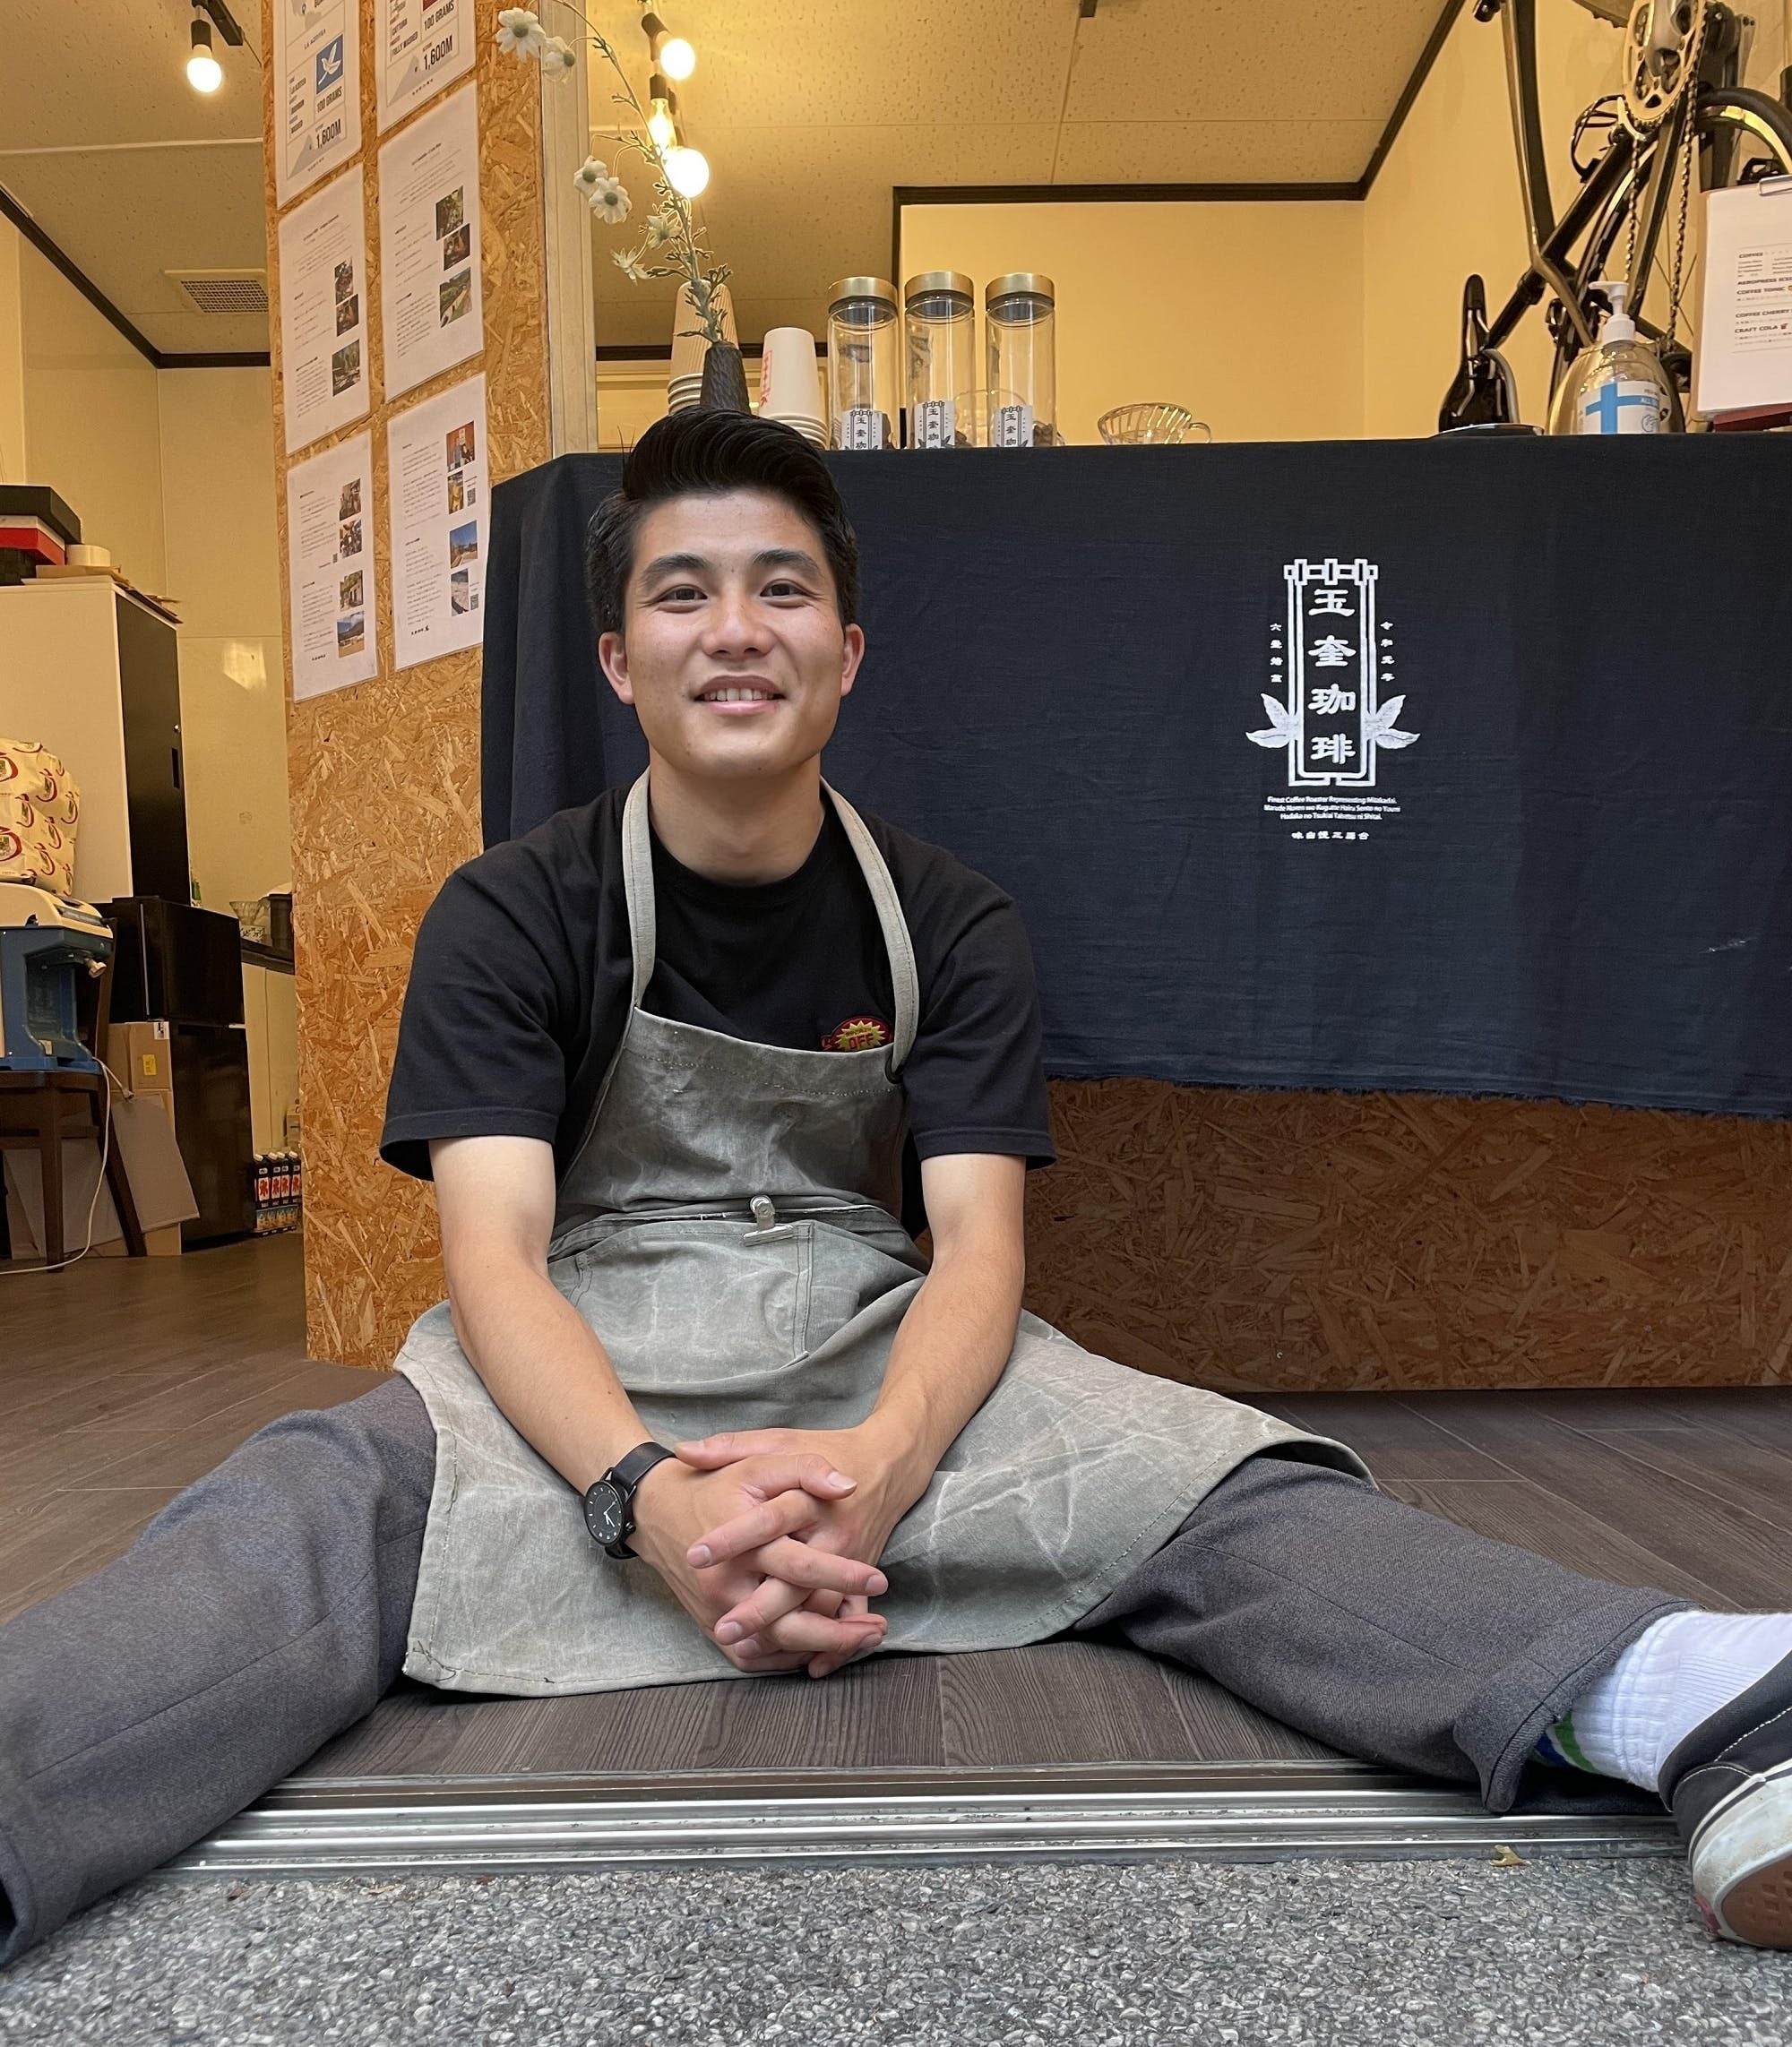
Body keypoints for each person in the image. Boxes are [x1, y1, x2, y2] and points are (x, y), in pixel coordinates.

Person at [2, 410, 1788, 1964]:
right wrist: (642, 1493)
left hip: (876, 1341)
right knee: (315, 1497)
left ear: (847, 650)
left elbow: (978, 1251)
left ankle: (1686, 1697)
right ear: (617, 661)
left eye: (780, 590)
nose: (734, 629)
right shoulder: (512, 909)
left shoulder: (952, 919)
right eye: (682, 593)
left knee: (1217, 1479)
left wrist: (879, 1470)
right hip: (583, 1351)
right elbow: (496, 1257)